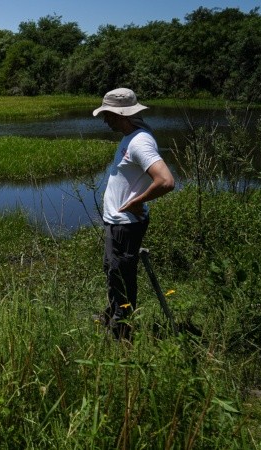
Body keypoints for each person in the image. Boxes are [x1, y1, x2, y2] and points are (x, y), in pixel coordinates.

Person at [92, 88, 175, 341]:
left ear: (122, 115)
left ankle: (122, 335)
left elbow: (166, 181)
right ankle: (112, 315)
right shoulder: (131, 136)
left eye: (108, 115)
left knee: (122, 278)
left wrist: (136, 202)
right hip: (118, 224)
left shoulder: (139, 142)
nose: (105, 120)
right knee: (113, 271)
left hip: (125, 226)